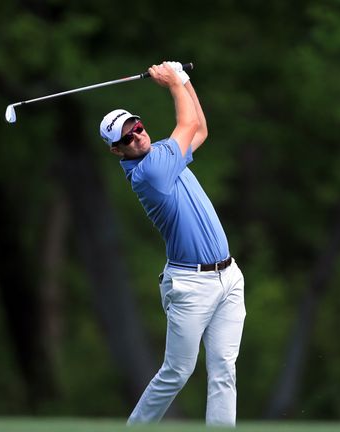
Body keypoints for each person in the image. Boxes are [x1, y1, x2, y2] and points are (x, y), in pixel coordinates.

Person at [99, 61, 246, 426]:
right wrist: (173, 83)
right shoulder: (149, 173)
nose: (137, 137)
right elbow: (188, 124)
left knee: (224, 370)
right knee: (177, 372)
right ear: (117, 151)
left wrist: (185, 80)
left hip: (228, 277)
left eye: (137, 128)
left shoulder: (164, 153)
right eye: (127, 139)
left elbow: (201, 130)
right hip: (190, 284)